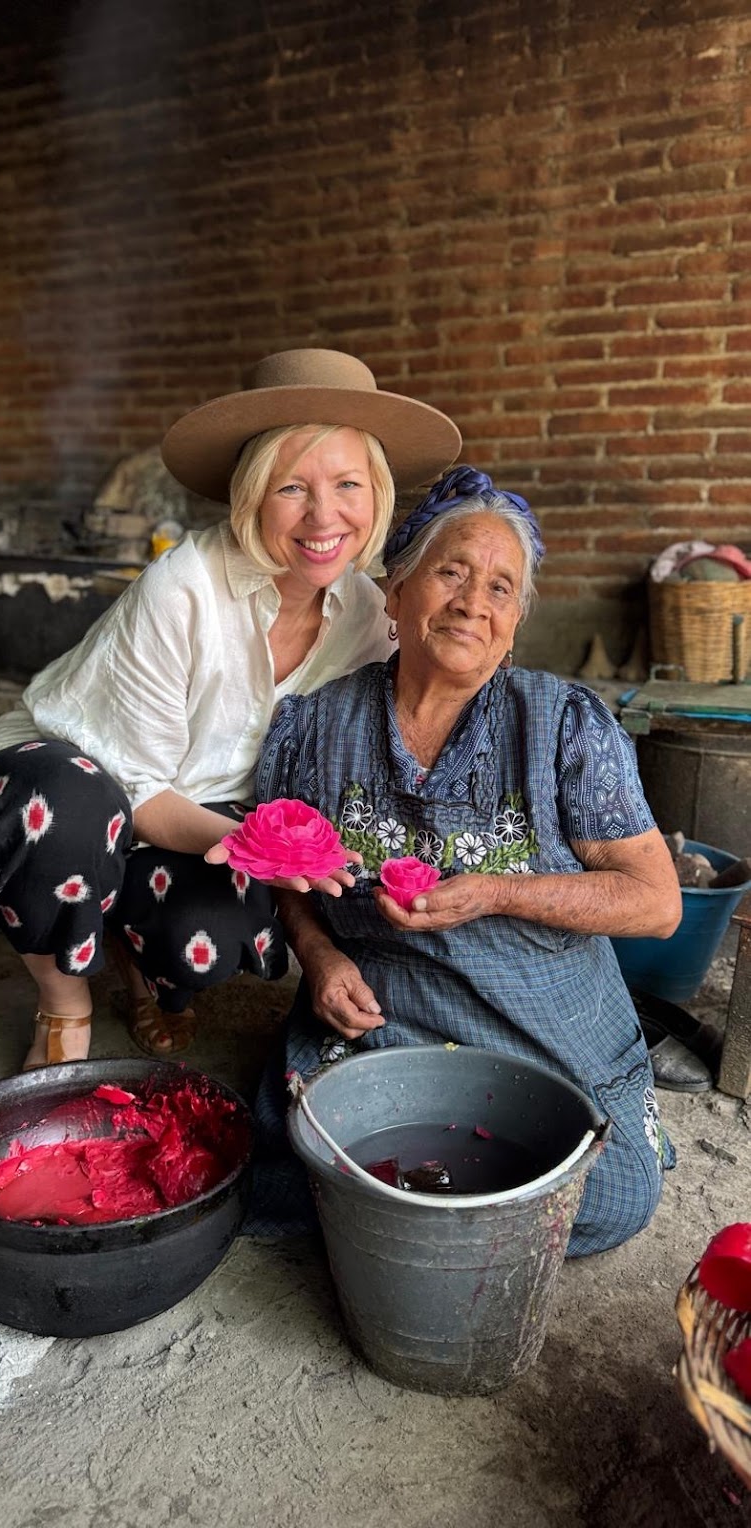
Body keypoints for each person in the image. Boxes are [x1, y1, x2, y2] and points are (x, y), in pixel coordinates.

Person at [0, 350, 461, 1070]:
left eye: (347, 484)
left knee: (214, 932)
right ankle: (64, 1009)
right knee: (66, 807)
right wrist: (263, 850)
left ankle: (134, 953)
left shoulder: (366, 614)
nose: (324, 515)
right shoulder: (182, 585)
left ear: (376, 494)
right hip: (77, 782)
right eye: (291, 488)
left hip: (203, 812)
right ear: (250, 497)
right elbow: (141, 789)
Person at [250, 465, 683, 1256]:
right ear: (396, 589)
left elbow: (655, 903)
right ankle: (426, 1214)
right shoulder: (316, 725)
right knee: (279, 1156)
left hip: (545, 1024)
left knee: (615, 1194)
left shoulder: (561, 727)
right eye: (450, 572)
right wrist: (317, 958)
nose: (472, 603)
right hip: (389, 1017)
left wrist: (496, 892)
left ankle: (396, 1222)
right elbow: (286, 873)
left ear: (515, 623)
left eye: (501, 588)